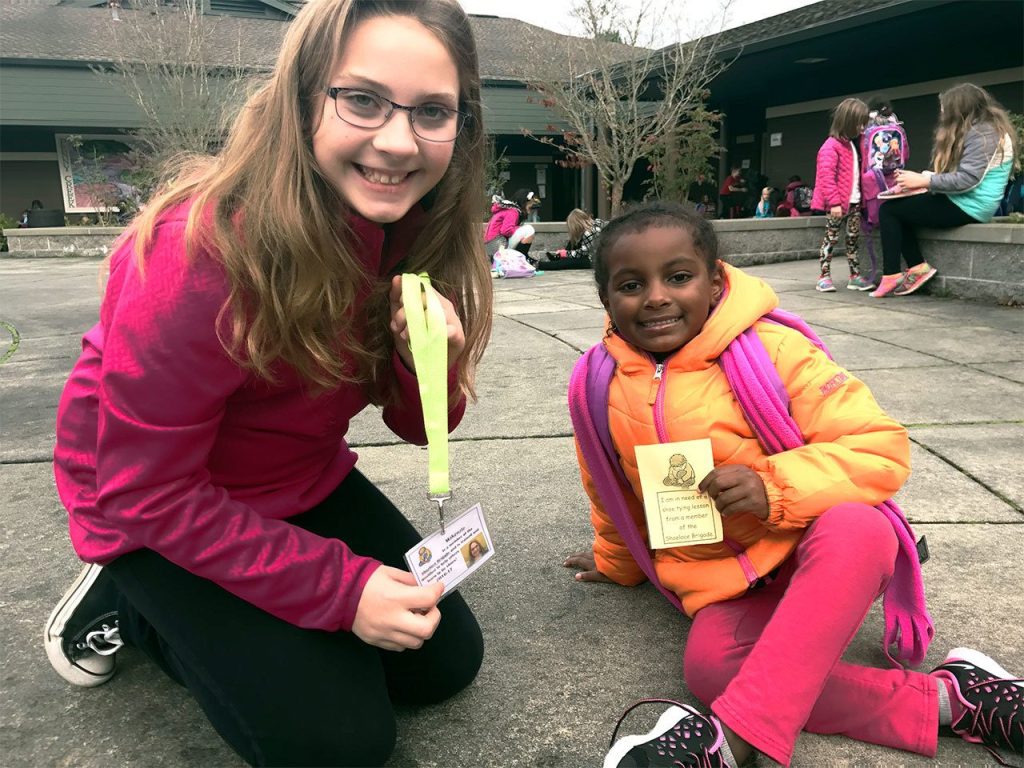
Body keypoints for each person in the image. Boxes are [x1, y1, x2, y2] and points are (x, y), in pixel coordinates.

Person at [42, 1, 492, 765]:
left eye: (433, 112)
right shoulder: (197, 254)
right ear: (302, 99)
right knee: (339, 742)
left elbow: (418, 427)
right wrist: (340, 593)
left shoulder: (415, 232)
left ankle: (231, 622)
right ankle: (130, 598)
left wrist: (431, 362)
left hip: (295, 477)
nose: (396, 140)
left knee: (442, 664)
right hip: (151, 499)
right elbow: (141, 490)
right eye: (362, 99)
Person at [564, 200, 1023, 768]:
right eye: (631, 284)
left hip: (815, 554)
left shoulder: (775, 351)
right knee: (712, 670)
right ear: (607, 300)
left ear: (714, 283)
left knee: (860, 527)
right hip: (725, 584)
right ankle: (957, 702)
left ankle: (727, 744)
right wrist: (616, 562)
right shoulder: (599, 385)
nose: (656, 296)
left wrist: (773, 488)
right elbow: (611, 491)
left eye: (678, 277)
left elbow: (880, 448)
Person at [870, 83, 1017, 298]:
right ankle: (916, 268)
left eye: (944, 108)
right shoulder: (984, 129)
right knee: (899, 208)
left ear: (960, 108)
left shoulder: (984, 134)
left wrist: (924, 182)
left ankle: (894, 274)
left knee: (890, 211)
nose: (941, 113)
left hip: (969, 205)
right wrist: (921, 181)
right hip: (965, 201)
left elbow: (967, 180)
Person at [810, 97, 876, 292]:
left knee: (852, 239)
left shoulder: (850, 145)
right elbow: (826, 177)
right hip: (838, 204)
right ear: (848, 122)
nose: (862, 128)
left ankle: (854, 275)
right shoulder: (830, 147)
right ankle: (824, 276)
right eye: (860, 124)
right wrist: (834, 203)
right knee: (830, 239)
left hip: (853, 202)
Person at [533, 207, 606, 271]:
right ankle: (558, 257)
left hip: (593, 260)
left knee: (567, 262)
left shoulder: (588, 233)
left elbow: (582, 253)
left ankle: (540, 265)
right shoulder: (597, 223)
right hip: (594, 255)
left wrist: (566, 254)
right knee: (573, 240)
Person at [483, 188, 538, 259]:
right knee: (529, 229)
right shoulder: (513, 211)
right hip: (498, 247)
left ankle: (522, 258)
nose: (531, 209)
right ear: (524, 202)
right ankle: (521, 260)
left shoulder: (508, 209)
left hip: (492, 247)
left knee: (525, 228)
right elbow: (506, 230)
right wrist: (519, 228)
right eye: (530, 206)